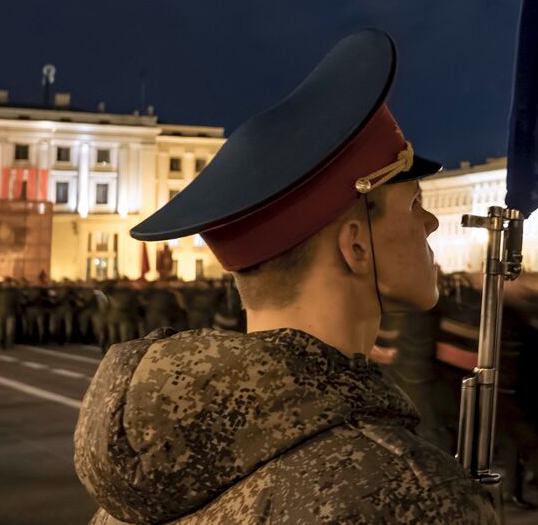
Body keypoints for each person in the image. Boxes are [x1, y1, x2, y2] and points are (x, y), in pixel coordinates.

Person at [74, 29, 494, 524]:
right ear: (357, 246)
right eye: (414, 205)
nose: (431, 223)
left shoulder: (135, 487)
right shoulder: (409, 493)